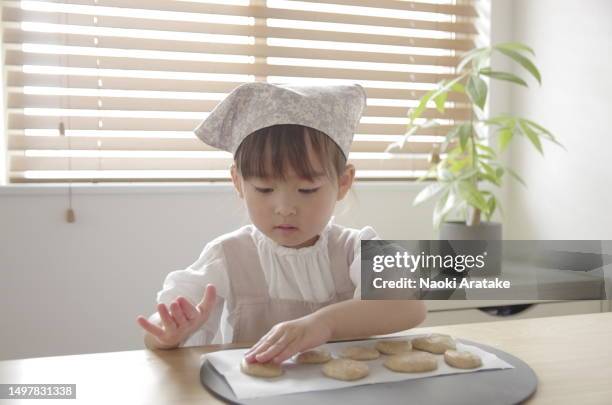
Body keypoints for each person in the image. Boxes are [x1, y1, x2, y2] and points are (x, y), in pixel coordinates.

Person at [136, 82, 426, 365]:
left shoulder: (357, 248)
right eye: (264, 189)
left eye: (307, 190)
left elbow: (410, 306)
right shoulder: (227, 256)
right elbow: (163, 321)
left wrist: (322, 324)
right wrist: (167, 332)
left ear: (342, 183)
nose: (285, 209)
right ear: (238, 182)